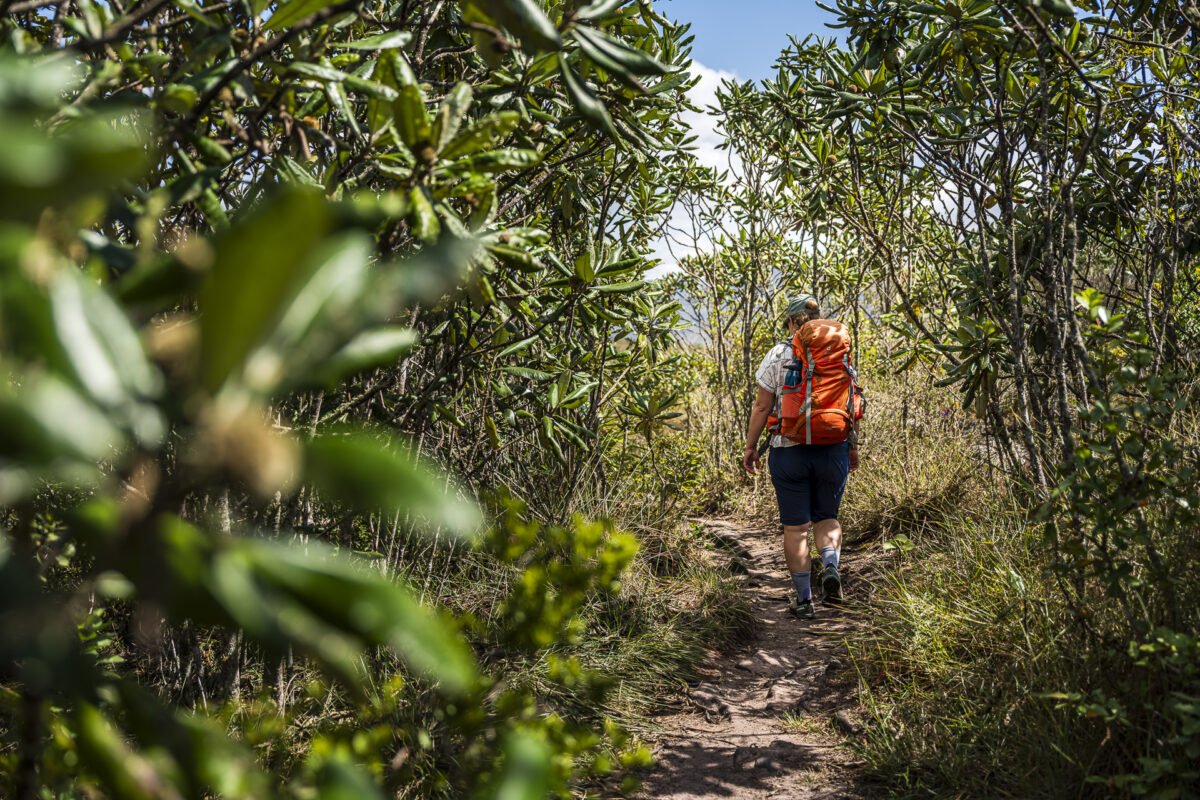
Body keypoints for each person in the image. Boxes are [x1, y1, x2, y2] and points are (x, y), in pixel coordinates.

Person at [742, 294, 860, 620]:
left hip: (788, 451)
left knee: (796, 529)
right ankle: (832, 567)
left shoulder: (779, 353)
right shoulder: (838, 352)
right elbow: (849, 405)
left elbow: (762, 407)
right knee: (827, 517)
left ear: (791, 322)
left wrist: (750, 447)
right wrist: (852, 447)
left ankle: (805, 599)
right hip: (833, 449)